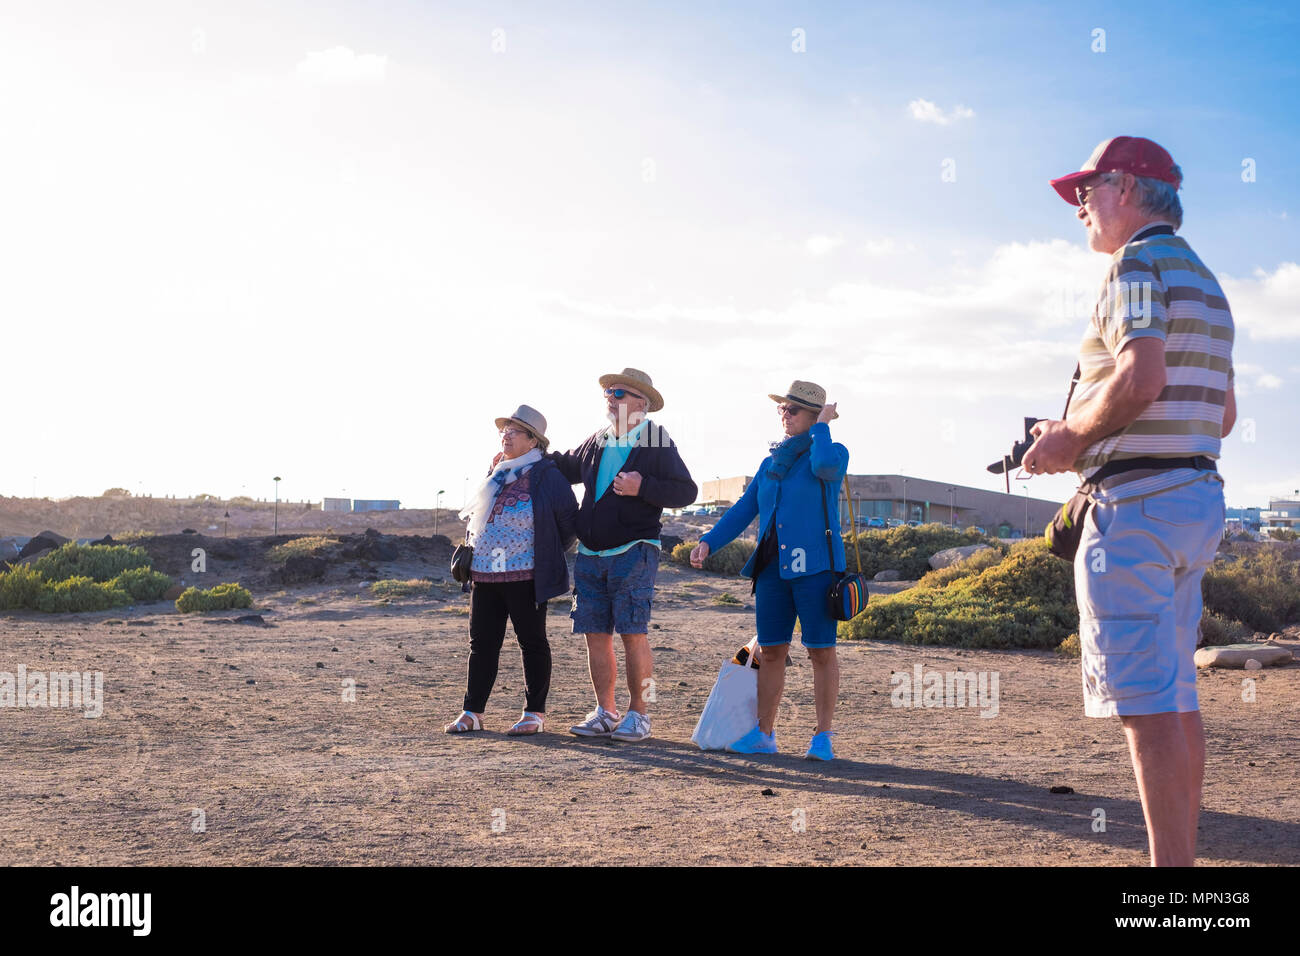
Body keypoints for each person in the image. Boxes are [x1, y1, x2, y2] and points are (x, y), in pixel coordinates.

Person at [1024, 136, 1235, 866]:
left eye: (1087, 189)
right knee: (1175, 695)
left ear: (1126, 186)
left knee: (1145, 706)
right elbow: (1223, 414)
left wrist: (1067, 438)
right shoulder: (1204, 280)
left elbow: (1141, 377)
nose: (1078, 204)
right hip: (1195, 495)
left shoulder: (1133, 263)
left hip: (1137, 507)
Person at [690, 380, 848, 760]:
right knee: (772, 651)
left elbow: (825, 466)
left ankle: (822, 737)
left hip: (817, 570)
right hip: (772, 571)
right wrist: (710, 541)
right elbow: (745, 509)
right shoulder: (770, 463)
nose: (785, 415)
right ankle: (764, 734)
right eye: (782, 409)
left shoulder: (831, 452)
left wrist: (823, 427)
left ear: (814, 416)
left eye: (793, 410)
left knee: (820, 651)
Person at [549, 368, 697, 742]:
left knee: (633, 633)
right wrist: (524, 453)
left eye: (617, 393)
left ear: (641, 403)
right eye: (607, 394)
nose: (609, 399)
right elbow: (562, 466)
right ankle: (606, 712)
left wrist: (642, 486)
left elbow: (686, 492)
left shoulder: (657, 440)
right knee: (595, 634)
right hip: (590, 553)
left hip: (634, 550)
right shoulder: (596, 441)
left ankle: (640, 715)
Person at [444, 405, 578, 736]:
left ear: (534, 441)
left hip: (527, 575)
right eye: (504, 430)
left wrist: (542, 553)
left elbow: (568, 525)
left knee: (532, 642)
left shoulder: (548, 476)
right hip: (485, 575)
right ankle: (472, 712)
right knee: (481, 644)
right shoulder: (497, 473)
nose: (506, 435)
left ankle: (534, 714)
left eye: (514, 431)